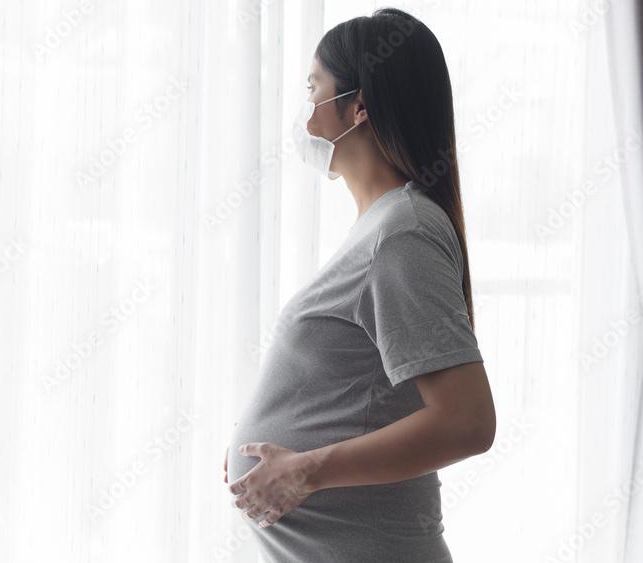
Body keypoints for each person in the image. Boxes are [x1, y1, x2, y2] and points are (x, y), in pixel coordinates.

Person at [223, 7, 497, 562]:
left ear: (358, 106)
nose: (304, 111)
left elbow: (467, 422)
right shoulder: (382, 226)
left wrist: (304, 469)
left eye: (312, 88)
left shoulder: (402, 233)